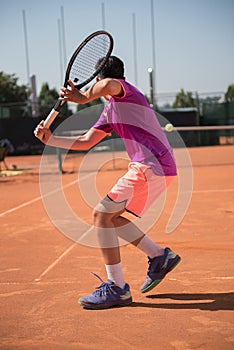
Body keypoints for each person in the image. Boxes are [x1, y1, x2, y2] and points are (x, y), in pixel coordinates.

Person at [34, 56, 181, 310]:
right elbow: (86, 141)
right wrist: (51, 140)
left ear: (100, 78)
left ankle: (117, 287)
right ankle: (159, 256)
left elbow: (111, 85)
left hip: (151, 164)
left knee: (101, 216)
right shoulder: (111, 110)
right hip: (155, 167)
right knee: (110, 218)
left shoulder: (127, 93)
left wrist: (81, 97)